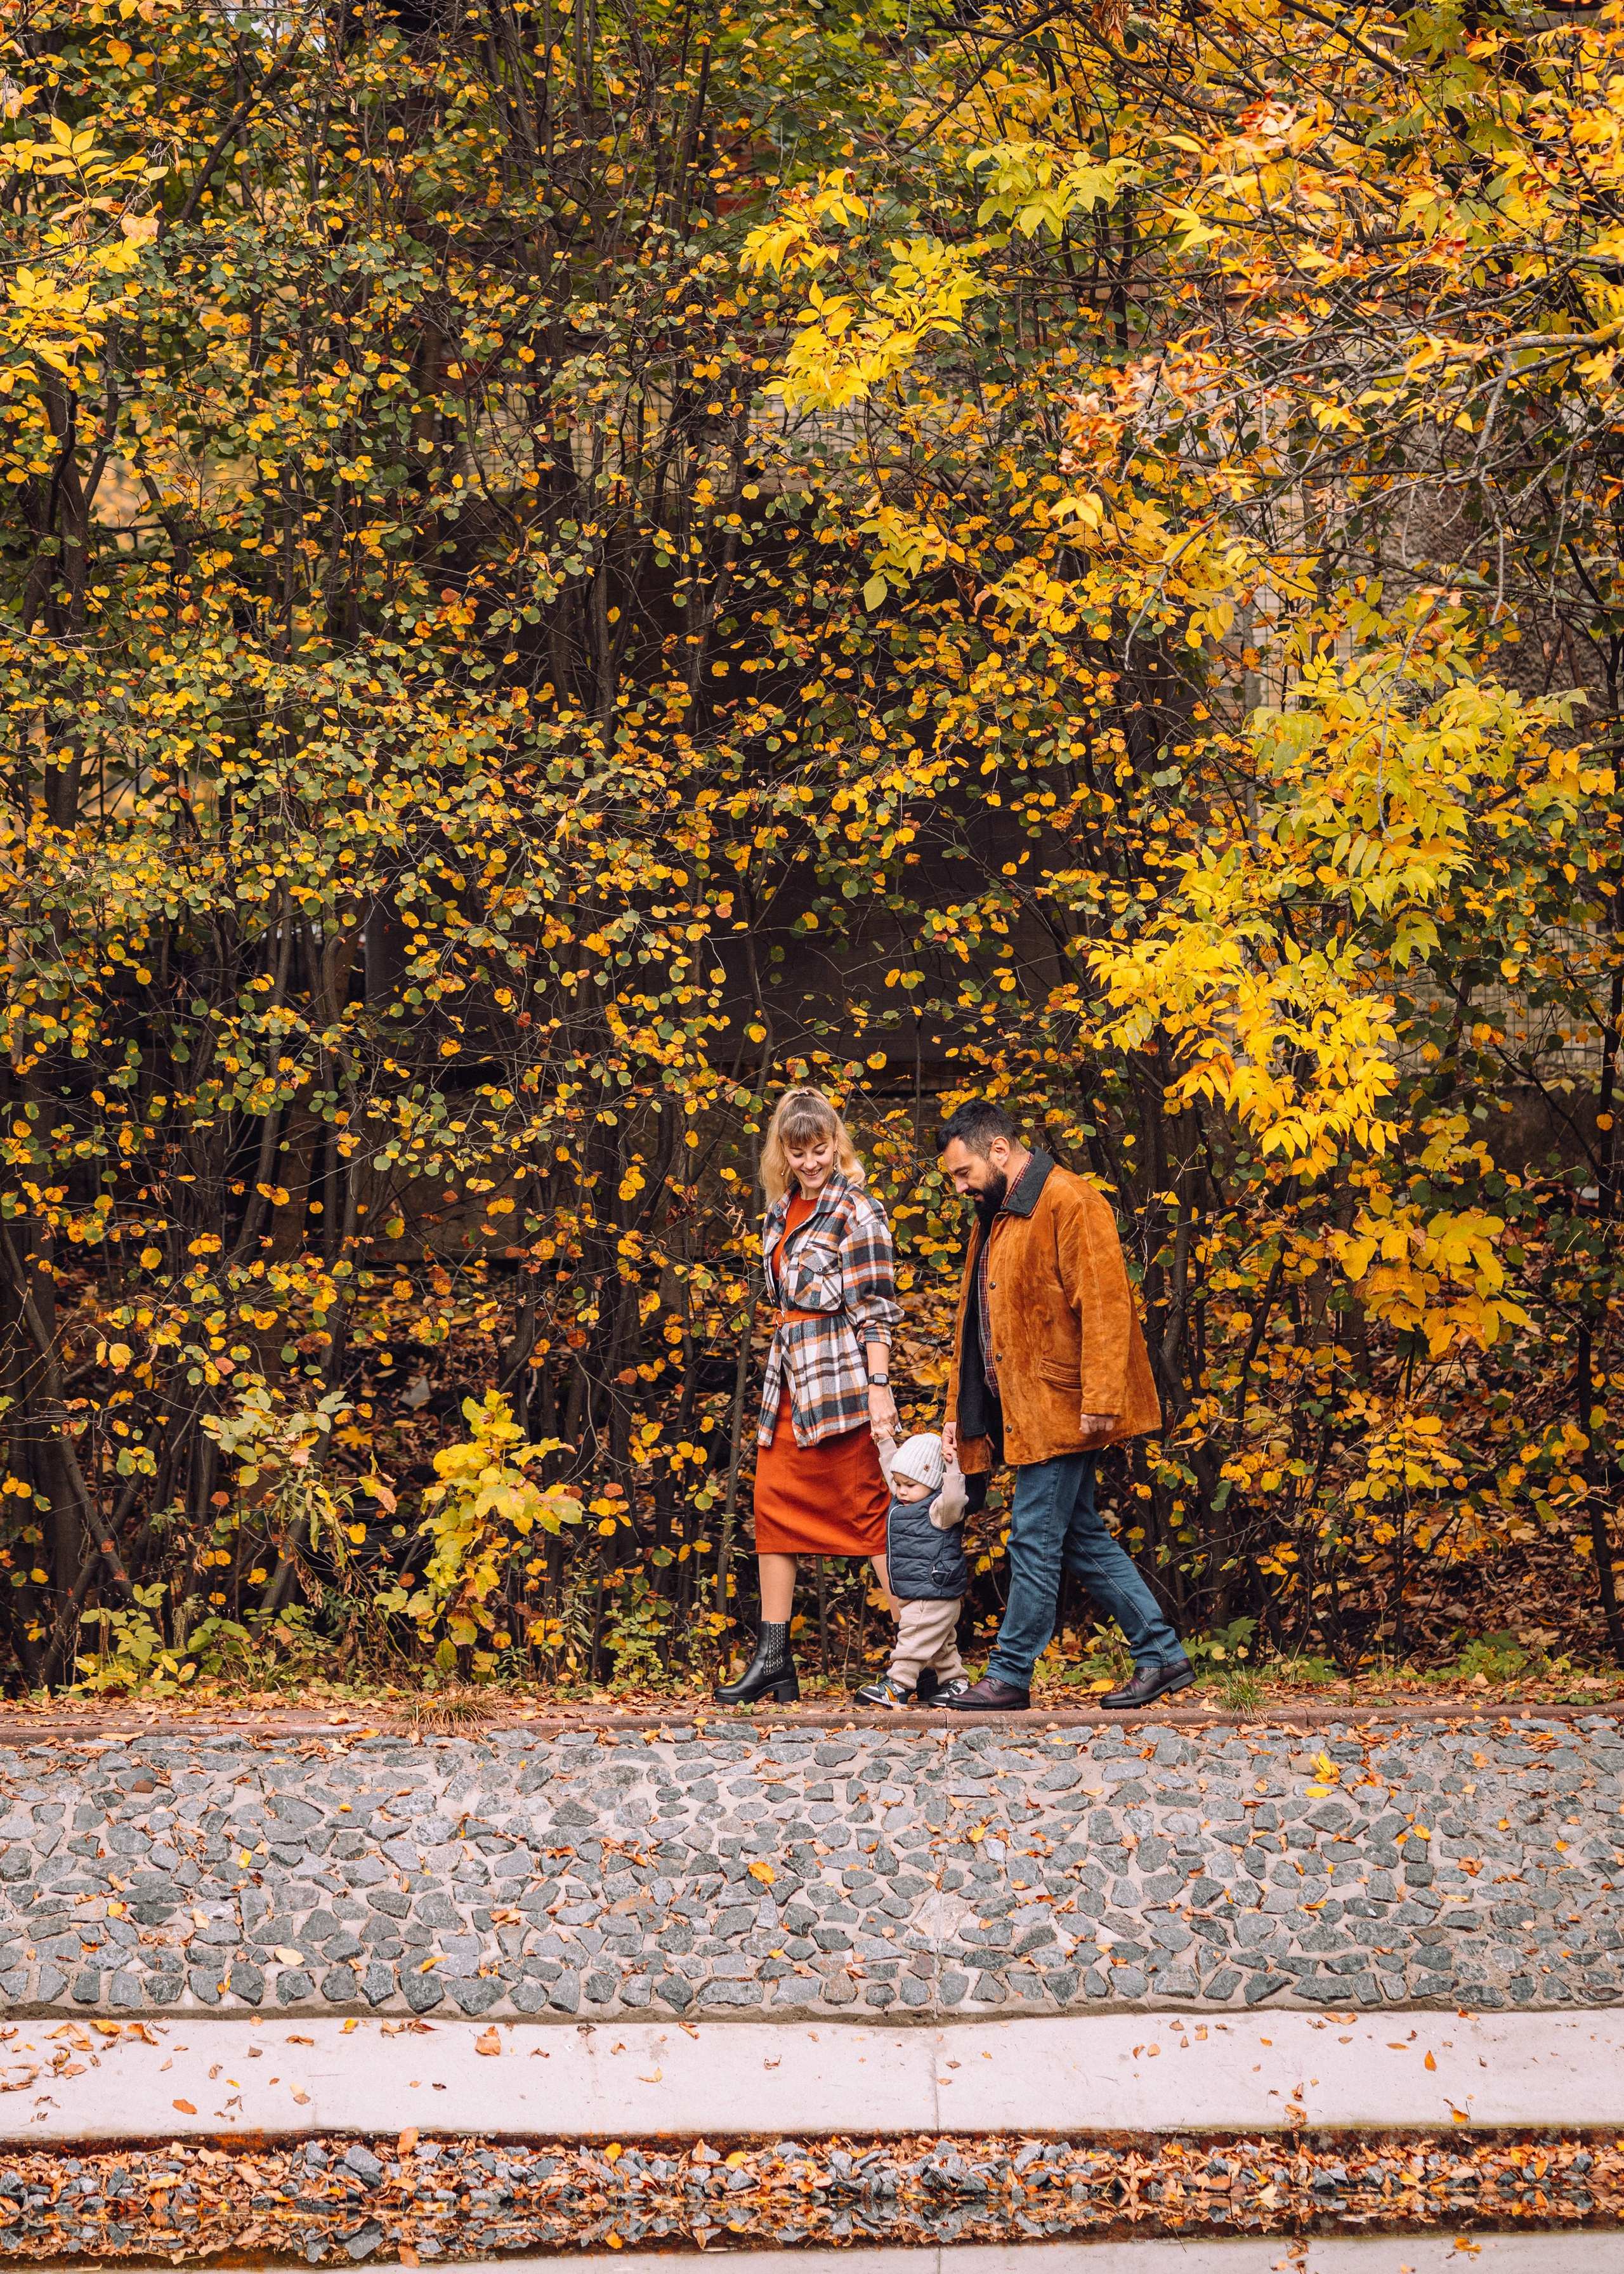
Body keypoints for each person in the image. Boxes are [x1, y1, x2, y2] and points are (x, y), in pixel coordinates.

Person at [935, 1099, 1190, 1713]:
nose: (960, 1185)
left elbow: (1105, 1302)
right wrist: (955, 1409)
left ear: (999, 1150)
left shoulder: (1070, 1200)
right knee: (1078, 1536)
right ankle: (1160, 1653)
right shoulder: (995, 1211)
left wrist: (1103, 1395)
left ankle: (1010, 1672)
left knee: (1032, 1537)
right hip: (1026, 1407)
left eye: (963, 1171)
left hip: (1063, 1405)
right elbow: (976, 1318)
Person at [716, 1085, 901, 1706]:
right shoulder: (778, 1212)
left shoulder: (859, 1209)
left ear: (835, 1143)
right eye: (799, 1153)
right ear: (783, 1153)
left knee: (869, 1517)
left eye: (820, 1149)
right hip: (789, 1385)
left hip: (844, 1384)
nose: (811, 1162)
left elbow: (875, 1308)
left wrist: (880, 1388)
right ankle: (774, 1661)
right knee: (771, 1510)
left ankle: (920, 1656)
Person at [855, 1431, 972, 1707]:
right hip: (919, 1590)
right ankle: (957, 1682)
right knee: (939, 1646)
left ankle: (898, 1685)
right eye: (899, 1484)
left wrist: (953, 1466)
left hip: (933, 1592)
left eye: (910, 1485)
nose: (901, 1490)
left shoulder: (939, 1510)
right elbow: (893, 1470)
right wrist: (885, 1442)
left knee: (913, 1640)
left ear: (932, 1483)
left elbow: (956, 1498)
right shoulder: (904, 1500)